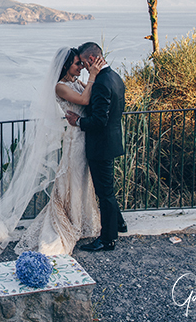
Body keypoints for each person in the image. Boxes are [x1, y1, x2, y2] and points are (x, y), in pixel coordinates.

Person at [0, 46, 104, 256]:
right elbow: (84, 100)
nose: (81, 66)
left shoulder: (75, 82)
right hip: (75, 140)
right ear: (65, 66)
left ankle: (80, 221)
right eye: (77, 64)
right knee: (70, 181)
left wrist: (91, 77)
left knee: (80, 181)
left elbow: (88, 95)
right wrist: (93, 75)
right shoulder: (60, 87)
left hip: (83, 137)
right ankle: (65, 222)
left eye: (81, 63)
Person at [65, 42, 127, 252]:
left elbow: (99, 120)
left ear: (91, 60)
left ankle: (108, 239)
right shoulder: (114, 76)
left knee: (104, 192)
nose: (82, 67)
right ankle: (119, 223)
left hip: (100, 145)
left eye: (83, 62)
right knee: (107, 188)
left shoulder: (100, 82)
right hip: (111, 141)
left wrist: (78, 122)